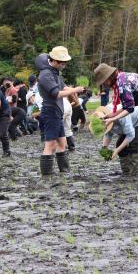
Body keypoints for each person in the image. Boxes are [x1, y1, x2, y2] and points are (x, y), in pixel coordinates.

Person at [93, 63, 138, 180]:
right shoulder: (120, 79)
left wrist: (113, 118)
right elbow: (128, 105)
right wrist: (112, 115)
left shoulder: (122, 84)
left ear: (109, 77)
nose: (104, 85)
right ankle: (135, 172)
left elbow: (130, 109)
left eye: (104, 81)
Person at [36, 46, 85, 176]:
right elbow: (57, 93)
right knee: (50, 145)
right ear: (55, 61)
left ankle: (64, 171)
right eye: (63, 63)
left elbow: (63, 87)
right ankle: (47, 174)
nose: (64, 65)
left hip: (57, 111)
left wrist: (77, 89)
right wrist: (75, 90)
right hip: (50, 111)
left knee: (62, 143)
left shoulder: (54, 72)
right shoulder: (46, 75)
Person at [93, 105, 138, 178]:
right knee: (120, 145)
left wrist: (116, 151)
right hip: (126, 124)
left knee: (133, 146)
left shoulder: (122, 117)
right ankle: (126, 172)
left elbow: (131, 135)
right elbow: (108, 133)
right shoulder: (103, 119)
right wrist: (104, 148)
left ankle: (134, 173)